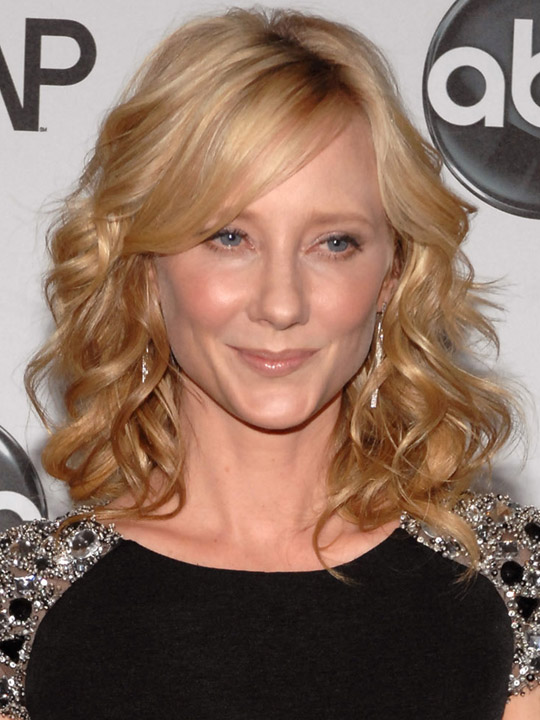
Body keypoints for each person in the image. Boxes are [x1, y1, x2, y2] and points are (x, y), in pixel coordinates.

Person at [0, 7, 539, 719]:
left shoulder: (507, 586)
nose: (282, 303)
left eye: (335, 243)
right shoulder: (27, 609)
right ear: (144, 266)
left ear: (391, 275)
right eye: (230, 237)